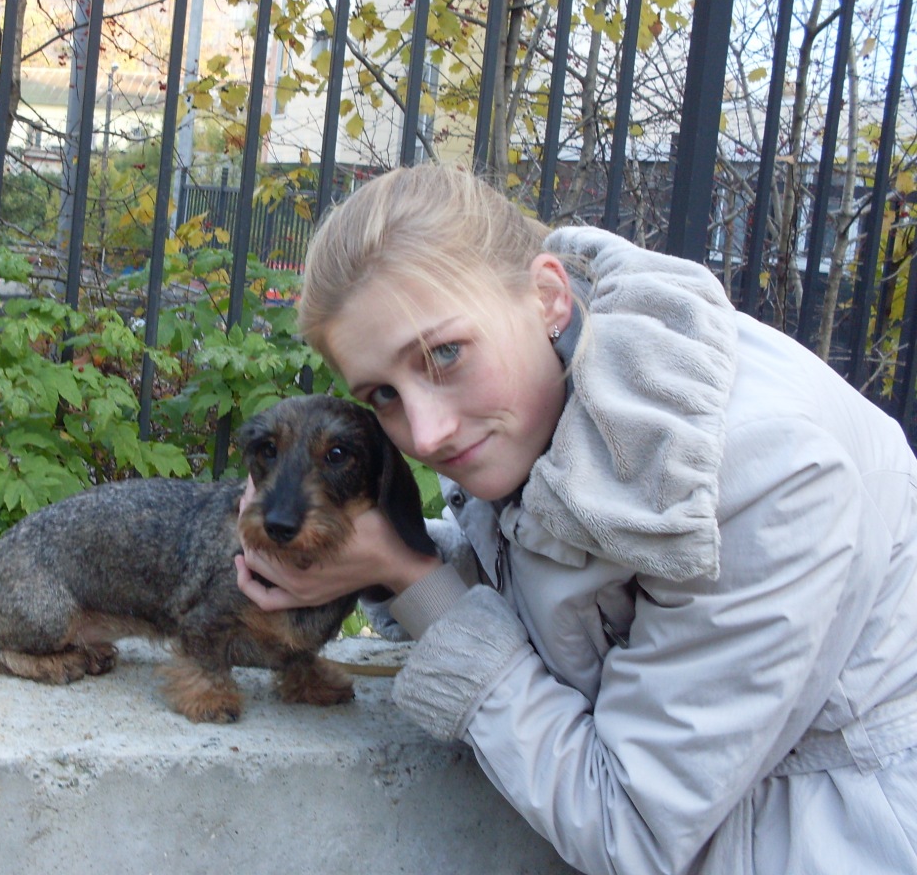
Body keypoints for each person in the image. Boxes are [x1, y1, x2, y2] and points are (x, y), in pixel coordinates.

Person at [233, 162, 917, 874]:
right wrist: (375, 562)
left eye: (444, 355)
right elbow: (570, 593)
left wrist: (410, 576)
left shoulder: (757, 477)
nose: (427, 433)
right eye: (382, 394)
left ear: (548, 296)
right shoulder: (557, 390)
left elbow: (630, 828)